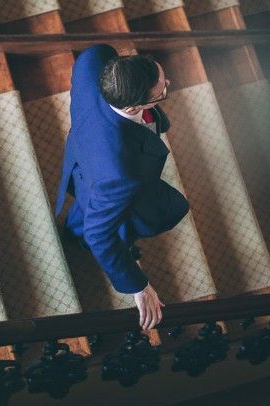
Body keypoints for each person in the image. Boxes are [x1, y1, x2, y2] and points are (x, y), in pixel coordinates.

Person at [55, 45, 189, 331]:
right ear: (132, 107)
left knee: (89, 204)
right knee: (101, 224)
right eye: (160, 92)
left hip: (84, 157)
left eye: (161, 78)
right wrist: (138, 286)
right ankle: (87, 237)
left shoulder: (95, 59)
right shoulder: (120, 174)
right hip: (103, 170)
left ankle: (74, 228)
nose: (167, 85)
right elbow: (99, 234)